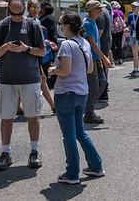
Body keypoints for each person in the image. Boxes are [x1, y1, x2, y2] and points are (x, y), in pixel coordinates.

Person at [0, 0, 47, 171]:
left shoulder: (33, 25)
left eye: (19, 12)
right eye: (13, 13)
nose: (16, 17)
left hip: (30, 78)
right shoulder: (1, 26)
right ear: (8, 9)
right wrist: (6, 47)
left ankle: (34, 151)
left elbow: (42, 52)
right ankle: (5, 153)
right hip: (7, 79)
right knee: (6, 117)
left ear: (24, 9)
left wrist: (26, 48)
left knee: (32, 116)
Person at [48, 11, 105, 184]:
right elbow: (87, 70)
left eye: (61, 23)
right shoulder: (84, 43)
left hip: (66, 93)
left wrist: (53, 70)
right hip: (81, 92)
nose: (60, 26)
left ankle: (72, 173)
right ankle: (96, 165)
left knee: (69, 135)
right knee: (80, 131)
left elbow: (64, 71)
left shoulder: (67, 45)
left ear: (66, 25)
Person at [83, 0, 112, 124]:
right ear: (92, 10)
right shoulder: (88, 23)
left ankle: (88, 109)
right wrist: (103, 57)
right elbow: (92, 43)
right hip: (92, 59)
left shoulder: (93, 22)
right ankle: (88, 112)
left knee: (102, 82)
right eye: (99, 8)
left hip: (96, 58)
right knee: (94, 86)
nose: (101, 10)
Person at [28, 0, 55, 113]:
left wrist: (47, 42)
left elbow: (38, 39)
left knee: (39, 80)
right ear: (28, 8)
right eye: (33, 7)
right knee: (42, 79)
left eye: (37, 7)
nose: (35, 10)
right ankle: (53, 106)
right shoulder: (28, 21)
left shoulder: (37, 21)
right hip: (30, 56)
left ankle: (18, 106)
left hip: (37, 55)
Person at [39, 1, 58, 90]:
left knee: (46, 64)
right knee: (48, 64)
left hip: (48, 44)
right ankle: (50, 82)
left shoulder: (45, 19)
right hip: (51, 42)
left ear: (44, 9)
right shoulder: (50, 17)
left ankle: (49, 83)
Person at [126, 1, 139, 78]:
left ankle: (137, 69)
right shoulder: (130, 16)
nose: (133, 8)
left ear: (138, 8)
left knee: (135, 51)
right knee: (134, 53)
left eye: (135, 7)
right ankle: (135, 68)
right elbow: (129, 26)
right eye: (133, 7)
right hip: (132, 35)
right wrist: (127, 29)